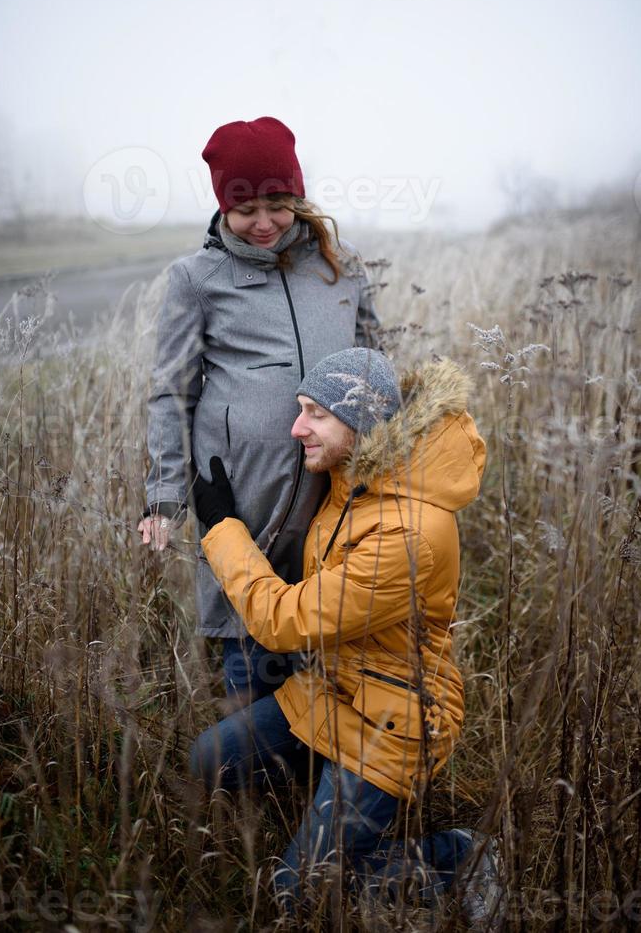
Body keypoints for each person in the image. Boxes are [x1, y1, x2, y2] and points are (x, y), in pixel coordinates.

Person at [189, 348, 504, 925]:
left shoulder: (412, 533)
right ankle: (331, 803)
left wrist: (224, 530)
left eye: (315, 413)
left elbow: (284, 620)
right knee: (208, 760)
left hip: (395, 719)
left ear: (361, 424)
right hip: (333, 691)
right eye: (299, 409)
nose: (296, 427)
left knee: (296, 891)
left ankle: (459, 857)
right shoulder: (354, 478)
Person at [138, 116, 378, 705]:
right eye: (247, 208)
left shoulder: (339, 267)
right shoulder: (197, 279)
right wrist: (167, 496)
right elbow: (171, 391)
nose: (264, 221)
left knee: (330, 646)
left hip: (338, 495)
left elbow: (376, 367)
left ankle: (324, 775)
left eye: (278, 202)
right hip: (243, 497)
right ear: (223, 205)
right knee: (253, 645)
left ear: (295, 197)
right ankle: (251, 787)